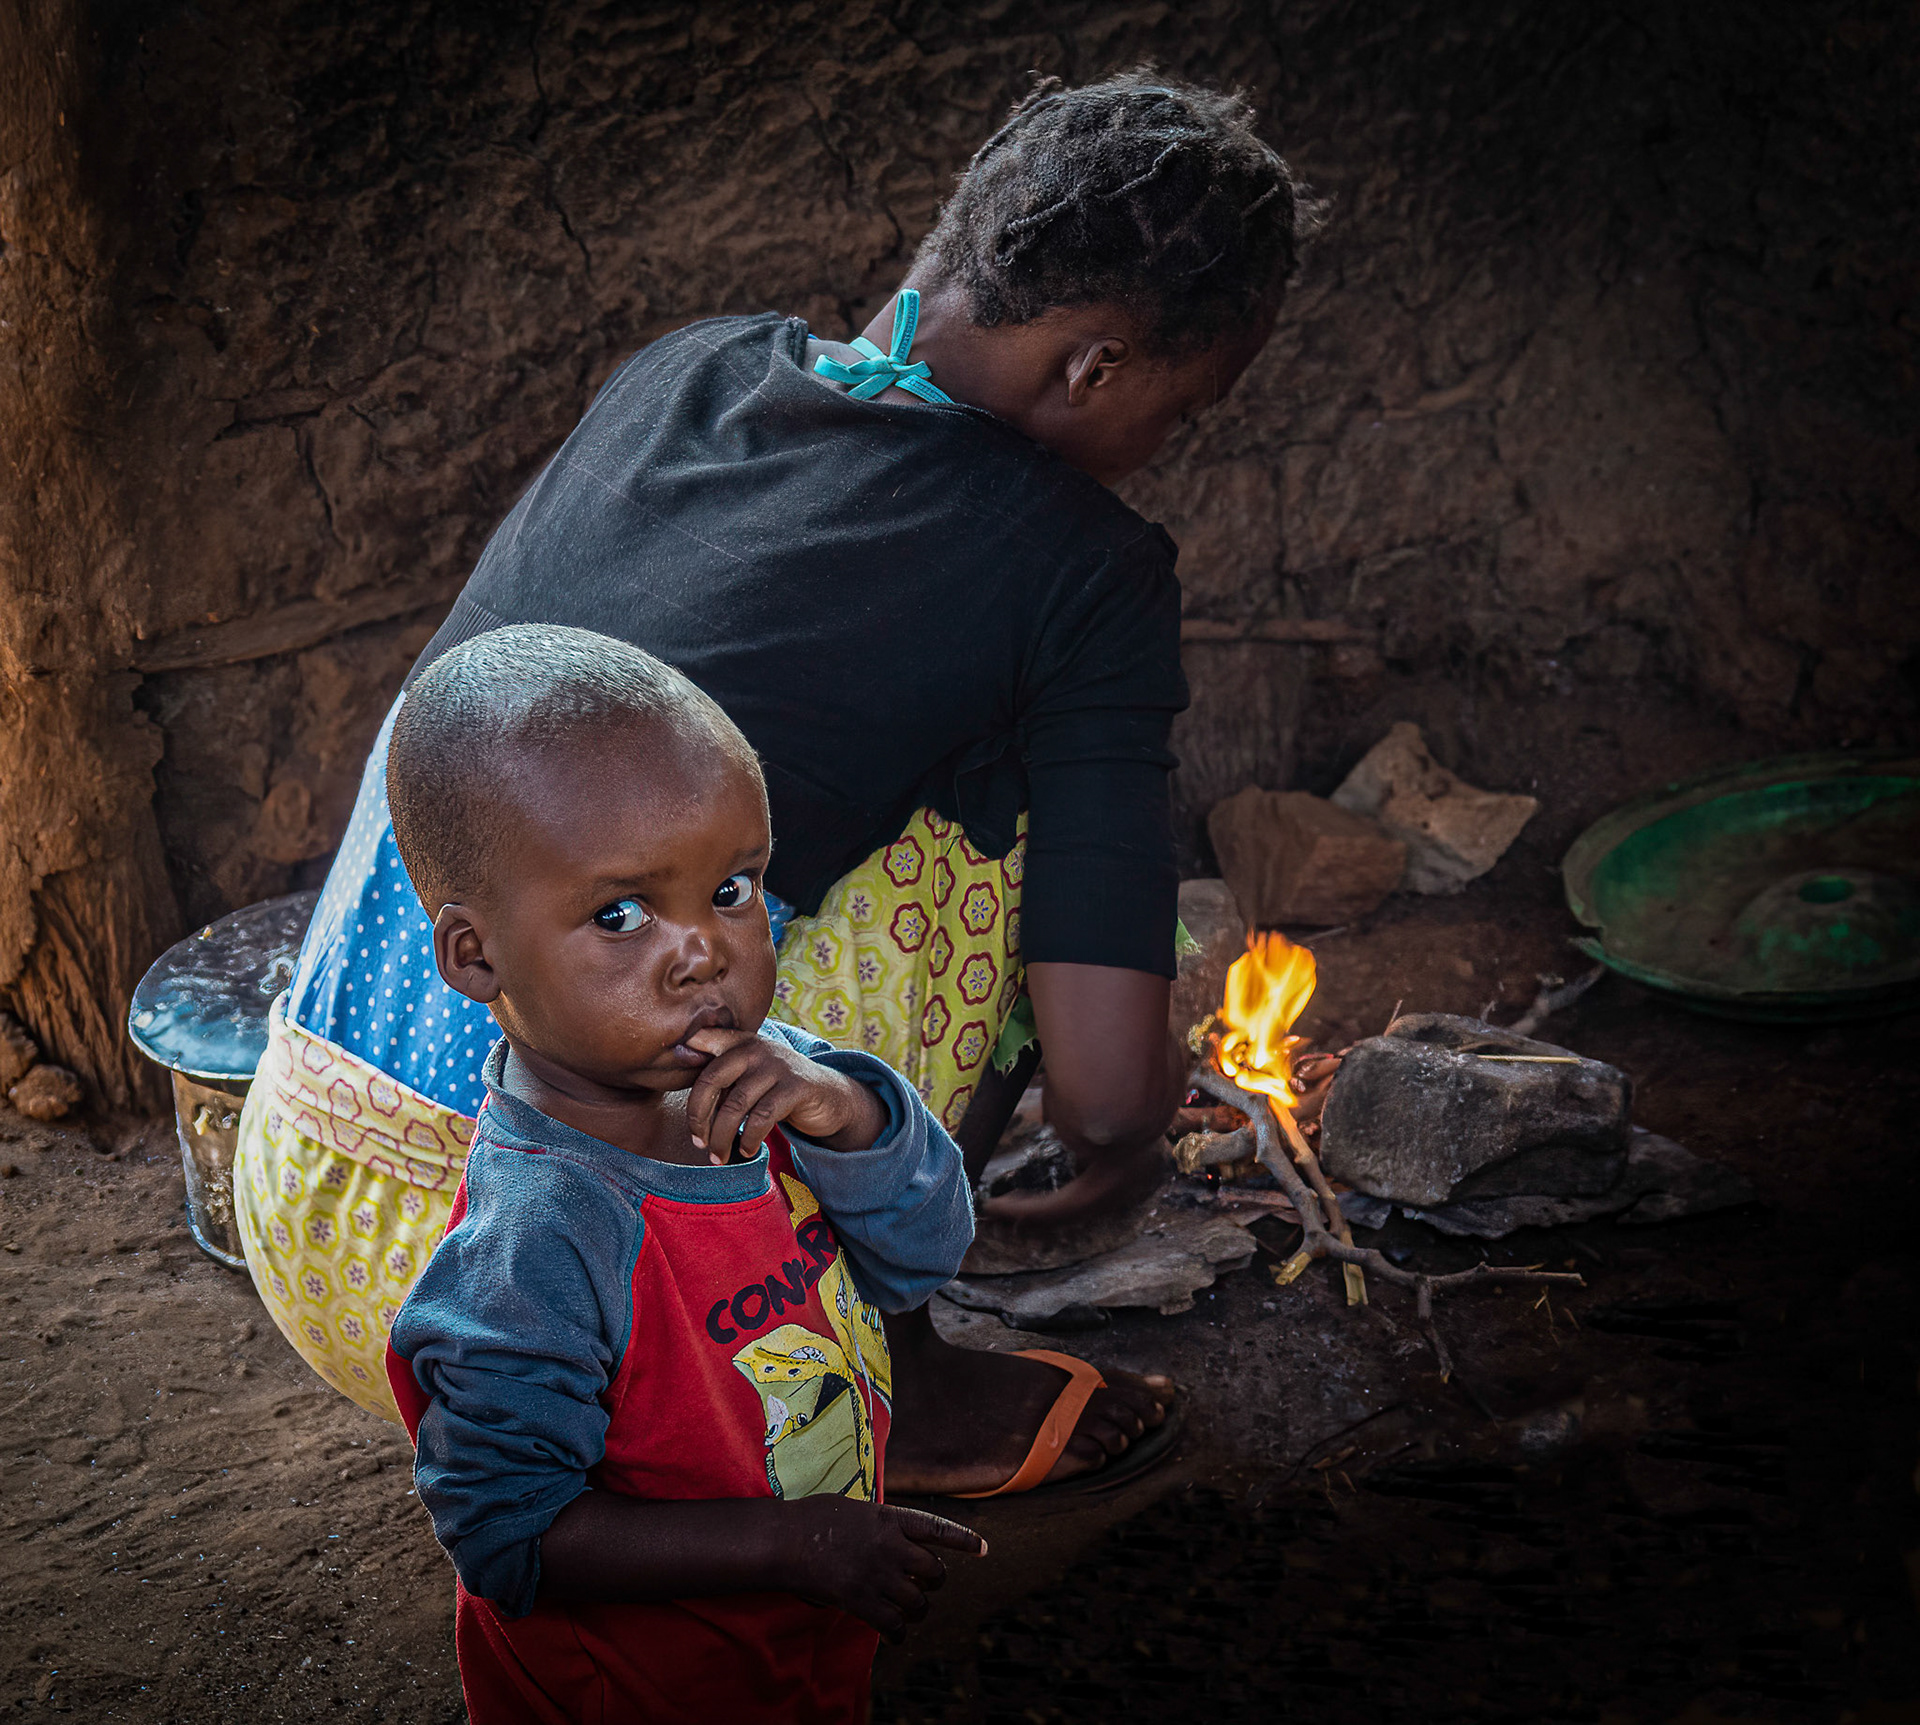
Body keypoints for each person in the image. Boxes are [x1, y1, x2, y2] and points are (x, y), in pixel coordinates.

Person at [235, 69, 1323, 1495]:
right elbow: (1111, 1095)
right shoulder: (1081, 565)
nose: (1162, 451)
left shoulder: (685, 371)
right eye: (1183, 412)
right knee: (1014, 817)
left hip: (321, 1223)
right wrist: (1123, 1136)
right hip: (637, 1312)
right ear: (1095, 368)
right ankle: (889, 1371)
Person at [382, 625, 986, 1722]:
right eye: (620, 914)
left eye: (733, 887)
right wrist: (790, 1544)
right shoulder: (544, 1234)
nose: (703, 950)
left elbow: (923, 1257)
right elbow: (510, 1534)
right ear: (476, 955)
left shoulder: (775, 1087)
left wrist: (850, 1112)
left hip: (802, 1643)